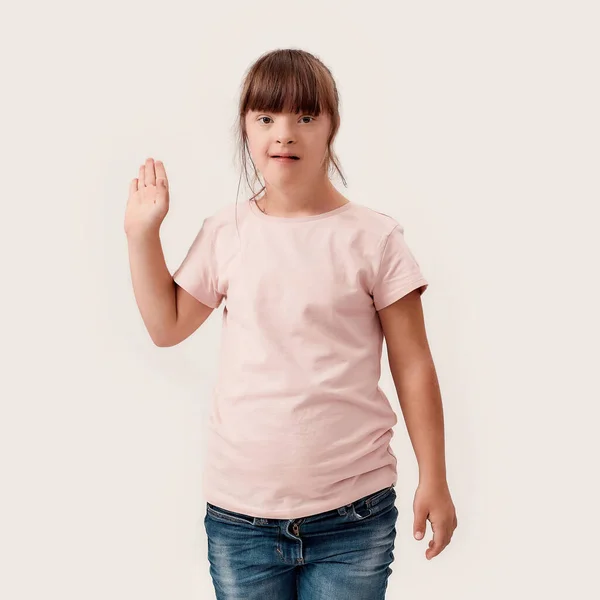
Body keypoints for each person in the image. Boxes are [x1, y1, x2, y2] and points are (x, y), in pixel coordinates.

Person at [125, 48, 457, 600]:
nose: (285, 133)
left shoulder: (374, 238)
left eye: (305, 116)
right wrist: (142, 235)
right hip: (241, 519)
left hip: (355, 514)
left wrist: (436, 478)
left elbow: (414, 363)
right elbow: (167, 326)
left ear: (332, 126)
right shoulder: (225, 232)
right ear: (246, 129)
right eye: (266, 118)